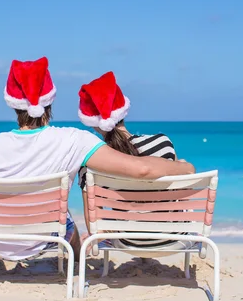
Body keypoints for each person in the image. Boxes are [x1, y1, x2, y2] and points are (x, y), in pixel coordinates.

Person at [0, 57, 194, 271]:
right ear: (50, 100)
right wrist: (185, 167)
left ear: (12, 102)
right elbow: (142, 169)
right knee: (66, 220)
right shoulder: (73, 140)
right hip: (41, 239)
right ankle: (74, 268)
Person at [77, 71, 186, 249]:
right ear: (123, 109)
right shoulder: (163, 143)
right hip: (171, 237)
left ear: (91, 122)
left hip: (127, 241)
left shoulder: (93, 163)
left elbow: (94, 227)